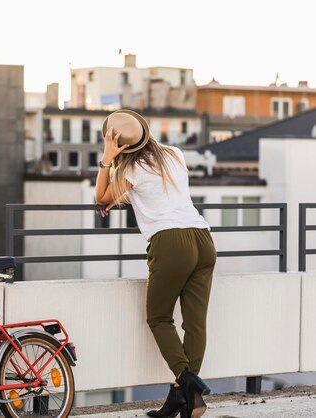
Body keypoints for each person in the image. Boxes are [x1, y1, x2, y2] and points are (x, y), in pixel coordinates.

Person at [94, 110, 217, 418]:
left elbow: (100, 195)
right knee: (195, 323)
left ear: (118, 143)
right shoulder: (174, 154)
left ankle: (187, 380)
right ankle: (186, 398)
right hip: (202, 238)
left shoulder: (130, 168)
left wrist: (108, 158)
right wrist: (119, 194)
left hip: (170, 243)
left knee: (159, 318)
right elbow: (152, 189)